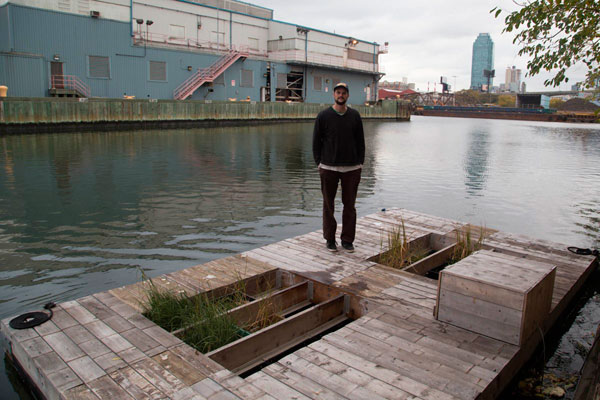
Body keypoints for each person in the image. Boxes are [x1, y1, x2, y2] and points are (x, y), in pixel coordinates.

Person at [312, 82, 365, 252]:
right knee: (329, 205)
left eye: (343, 93)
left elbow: (360, 141)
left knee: (349, 206)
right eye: (338, 92)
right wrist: (319, 163)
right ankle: (330, 239)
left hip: (351, 169)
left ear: (348, 96)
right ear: (334, 95)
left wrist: (360, 163)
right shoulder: (323, 116)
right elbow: (316, 142)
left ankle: (347, 240)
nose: (340, 95)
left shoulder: (355, 116)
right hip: (328, 168)